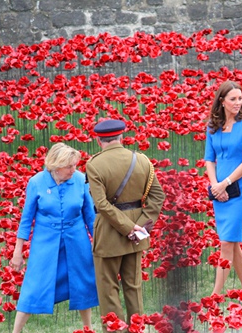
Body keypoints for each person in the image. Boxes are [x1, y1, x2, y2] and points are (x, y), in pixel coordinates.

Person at [86, 119, 165, 332]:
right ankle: (137, 328)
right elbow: (157, 196)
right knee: (133, 286)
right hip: (137, 234)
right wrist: (139, 226)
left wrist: (128, 227)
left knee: (108, 289)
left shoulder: (94, 164)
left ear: (98, 139)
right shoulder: (141, 160)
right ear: (122, 137)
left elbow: (101, 204)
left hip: (109, 233)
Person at [10, 143, 98, 333]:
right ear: (56, 166)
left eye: (75, 165)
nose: (74, 169)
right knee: (33, 286)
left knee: (82, 284)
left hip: (77, 241)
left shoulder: (81, 180)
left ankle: (88, 329)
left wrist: (100, 243)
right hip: (45, 244)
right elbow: (26, 220)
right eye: (69, 166)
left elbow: (91, 217)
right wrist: (18, 251)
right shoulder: (36, 182)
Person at [204, 80, 242, 295]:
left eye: (240, 98)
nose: (238, 102)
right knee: (232, 241)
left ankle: (215, 295)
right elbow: (209, 159)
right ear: (222, 101)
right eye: (233, 99)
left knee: (226, 242)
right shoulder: (212, 126)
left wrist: (226, 183)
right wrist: (215, 185)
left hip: (238, 190)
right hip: (219, 191)